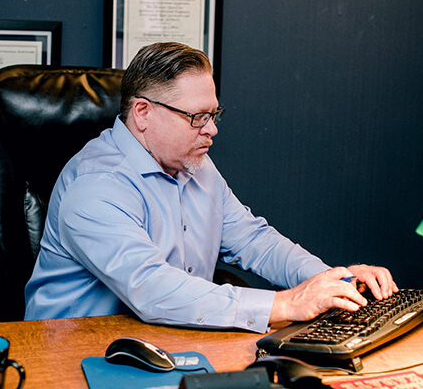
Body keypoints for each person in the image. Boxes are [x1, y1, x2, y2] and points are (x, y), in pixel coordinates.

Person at [24, 42, 398, 332]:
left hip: (171, 337)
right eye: (196, 117)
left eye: (213, 114)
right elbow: (151, 289)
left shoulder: (194, 164)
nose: (212, 130)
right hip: (74, 350)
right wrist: (284, 306)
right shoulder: (96, 186)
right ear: (143, 113)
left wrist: (332, 282)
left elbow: (254, 241)